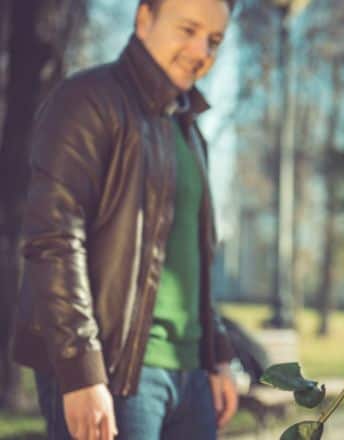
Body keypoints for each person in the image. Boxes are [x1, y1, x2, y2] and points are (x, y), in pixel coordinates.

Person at [12, 0, 238, 438]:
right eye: (188, 29)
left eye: (213, 40)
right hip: (114, 374)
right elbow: (53, 239)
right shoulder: (87, 100)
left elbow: (193, 260)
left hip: (191, 379)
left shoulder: (190, 130)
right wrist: (81, 372)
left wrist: (219, 358)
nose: (200, 51)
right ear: (143, 18)